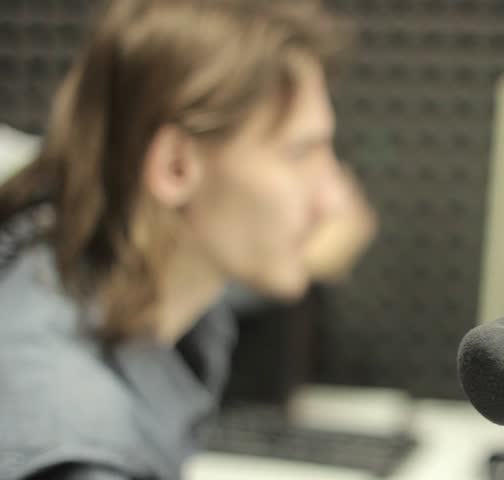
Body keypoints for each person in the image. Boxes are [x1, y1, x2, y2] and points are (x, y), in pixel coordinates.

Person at [0, 0, 376, 478]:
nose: (332, 200)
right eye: (299, 152)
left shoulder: (90, 264)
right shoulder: (80, 449)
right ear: (176, 165)